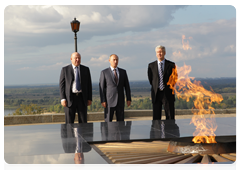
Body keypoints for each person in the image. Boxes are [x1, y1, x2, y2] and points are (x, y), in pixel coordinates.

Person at [59, 52, 92, 123]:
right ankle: (70, 134)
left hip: (82, 98)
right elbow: (62, 85)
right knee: (69, 122)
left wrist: (89, 98)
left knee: (83, 121)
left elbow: (89, 84)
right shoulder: (65, 70)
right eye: (75, 58)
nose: (77, 59)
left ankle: (83, 134)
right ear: (71, 59)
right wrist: (63, 98)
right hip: (70, 99)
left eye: (79, 58)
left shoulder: (86, 69)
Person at [99, 54, 131, 122]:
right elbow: (102, 87)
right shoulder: (104, 72)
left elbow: (127, 86)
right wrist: (103, 100)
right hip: (109, 101)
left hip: (120, 101)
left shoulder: (123, 72)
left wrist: (128, 98)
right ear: (109, 60)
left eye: (117, 60)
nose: (115, 61)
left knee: (121, 122)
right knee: (108, 122)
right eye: (114, 60)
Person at [148, 45, 176, 120]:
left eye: (161, 52)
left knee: (170, 117)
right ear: (156, 53)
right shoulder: (151, 66)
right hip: (156, 94)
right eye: (158, 52)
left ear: (164, 53)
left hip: (168, 94)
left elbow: (174, 79)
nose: (159, 54)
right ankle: (157, 132)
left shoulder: (171, 65)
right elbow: (151, 80)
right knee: (156, 118)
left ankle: (170, 131)